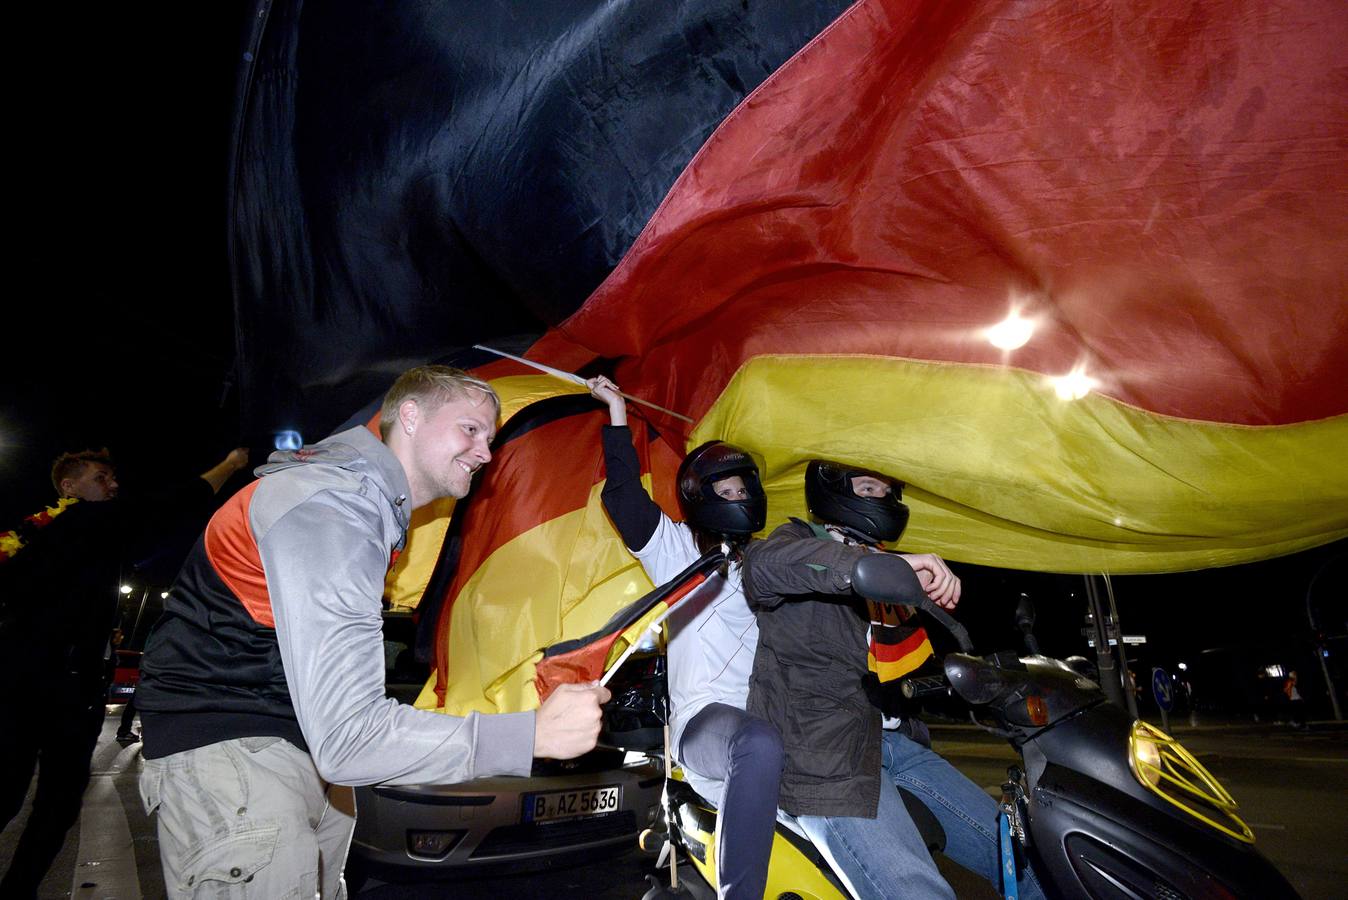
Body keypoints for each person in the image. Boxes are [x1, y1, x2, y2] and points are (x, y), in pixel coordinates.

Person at [136, 365, 610, 898]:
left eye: (491, 437)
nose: (485, 452)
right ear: (408, 415)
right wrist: (529, 736)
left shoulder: (361, 505)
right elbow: (348, 739)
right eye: (470, 429)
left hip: (284, 749)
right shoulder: (332, 507)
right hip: (235, 750)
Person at [742, 460, 1045, 900]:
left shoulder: (883, 565)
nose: (883, 499)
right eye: (870, 488)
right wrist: (875, 565)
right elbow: (763, 568)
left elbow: (896, 667)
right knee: (920, 893)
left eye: (889, 492)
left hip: (895, 743)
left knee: (1020, 858)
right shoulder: (798, 543)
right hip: (826, 761)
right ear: (833, 493)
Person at [0, 444, 250, 898]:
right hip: (59, 687)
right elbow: (172, 504)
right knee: (52, 801)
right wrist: (230, 466)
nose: (113, 486)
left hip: (28, 680)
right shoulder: (82, 521)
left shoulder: (35, 538)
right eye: (101, 478)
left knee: (14, 790)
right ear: (68, 487)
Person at [588, 375, 783, 900]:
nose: (738, 497)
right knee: (758, 743)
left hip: (773, 720)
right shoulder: (680, 552)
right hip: (707, 728)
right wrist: (617, 414)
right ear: (702, 498)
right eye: (727, 490)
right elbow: (625, 496)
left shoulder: (767, 564)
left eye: (745, 488)